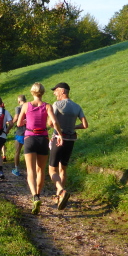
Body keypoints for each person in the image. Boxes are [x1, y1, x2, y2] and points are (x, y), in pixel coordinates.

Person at [18, 82, 62, 215]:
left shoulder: (26, 106)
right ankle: (38, 193)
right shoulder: (47, 106)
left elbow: (19, 123)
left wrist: (25, 121)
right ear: (42, 92)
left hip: (29, 138)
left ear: (32, 92)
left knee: (30, 170)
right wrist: (60, 134)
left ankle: (35, 197)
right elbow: (54, 122)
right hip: (43, 138)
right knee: (41, 170)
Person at [49, 82, 88, 210]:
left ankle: (61, 191)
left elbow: (50, 123)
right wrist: (73, 126)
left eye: (56, 90)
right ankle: (58, 197)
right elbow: (85, 125)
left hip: (58, 139)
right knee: (63, 169)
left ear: (62, 91)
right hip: (70, 140)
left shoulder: (57, 104)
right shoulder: (77, 106)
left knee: (52, 170)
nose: (54, 93)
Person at [11, 94, 27, 176]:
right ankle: (29, 170)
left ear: (19, 101)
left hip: (20, 132)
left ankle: (16, 169)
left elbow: (16, 117)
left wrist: (11, 122)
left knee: (17, 151)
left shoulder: (18, 108)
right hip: (29, 132)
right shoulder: (29, 107)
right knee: (28, 152)